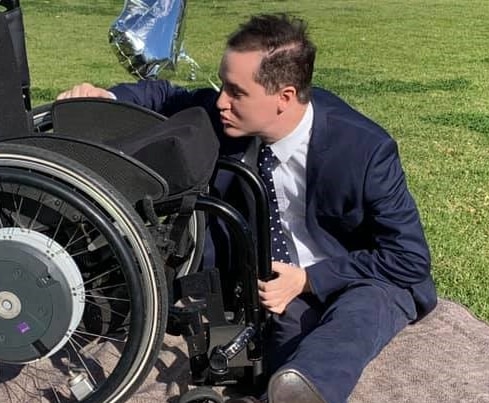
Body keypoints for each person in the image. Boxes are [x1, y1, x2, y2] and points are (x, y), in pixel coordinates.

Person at [57, 13, 436, 403]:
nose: (221, 100)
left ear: (284, 97)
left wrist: (308, 280)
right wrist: (107, 98)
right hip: (272, 287)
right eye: (223, 85)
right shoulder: (228, 116)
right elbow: (168, 97)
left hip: (361, 275)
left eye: (236, 91)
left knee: (359, 314)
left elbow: (408, 258)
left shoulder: (364, 151)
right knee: (281, 346)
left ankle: (306, 387)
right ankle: (285, 386)